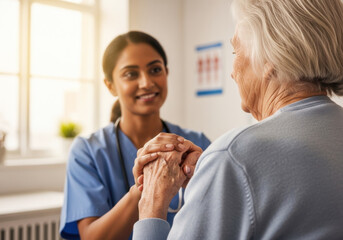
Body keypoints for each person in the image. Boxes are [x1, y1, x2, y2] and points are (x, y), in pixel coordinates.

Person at [132, 0, 343, 239]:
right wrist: (217, 183)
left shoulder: (233, 155)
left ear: (269, 58)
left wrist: (151, 203)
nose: (232, 72)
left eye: (236, 51)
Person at [59, 31, 211, 240]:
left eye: (155, 70)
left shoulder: (197, 143)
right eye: (131, 74)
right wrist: (147, 186)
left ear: (166, 73)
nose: (146, 82)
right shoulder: (88, 151)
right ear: (110, 85)